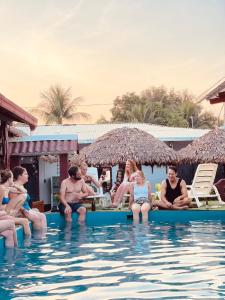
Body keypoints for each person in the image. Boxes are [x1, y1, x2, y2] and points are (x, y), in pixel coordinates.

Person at [12, 166, 47, 231]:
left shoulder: (21, 186)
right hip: (21, 212)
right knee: (36, 218)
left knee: (42, 215)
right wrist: (23, 210)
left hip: (27, 209)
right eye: (25, 174)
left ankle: (43, 236)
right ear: (19, 176)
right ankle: (38, 238)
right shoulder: (15, 188)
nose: (28, 175)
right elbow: (13, 203)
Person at [0, 169, 31, 237]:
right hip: (3, 214)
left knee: (23, 195)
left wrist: (14, 185)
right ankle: (28, 243)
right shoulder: (1, 188)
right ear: (9, 179)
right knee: (25, 221)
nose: (13, 179)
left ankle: (27, 242)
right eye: (12, 177)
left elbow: (24, 192)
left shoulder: (8, 188)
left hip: (5, 212)